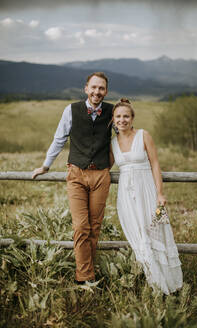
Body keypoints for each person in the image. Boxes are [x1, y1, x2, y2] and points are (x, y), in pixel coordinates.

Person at [32, 72, 114, 285]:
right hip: (76, 174)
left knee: (95, 227)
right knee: (80, 227)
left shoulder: (112, 111)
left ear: (106, 91)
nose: (97, 92)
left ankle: (89, 273)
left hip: (101, 176)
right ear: (86, 88)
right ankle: (84, 278)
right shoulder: (71, 110)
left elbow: (124, 136)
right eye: (93, 87)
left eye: (101, 88)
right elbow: (59, 139)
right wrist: (45, 166)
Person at [109, 98, 183, 295]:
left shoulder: (143, 135)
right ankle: (154, 283)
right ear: (113, 120)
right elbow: (104, 167)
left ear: (132, 118)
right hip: (126, 196)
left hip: (147, 191)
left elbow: (155, 164)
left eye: (126, 116)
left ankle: (169, 284)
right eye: (118, 116)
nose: (122, 120)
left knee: (154, 232)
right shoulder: (112, 143)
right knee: (138, 236)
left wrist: (160, 193)